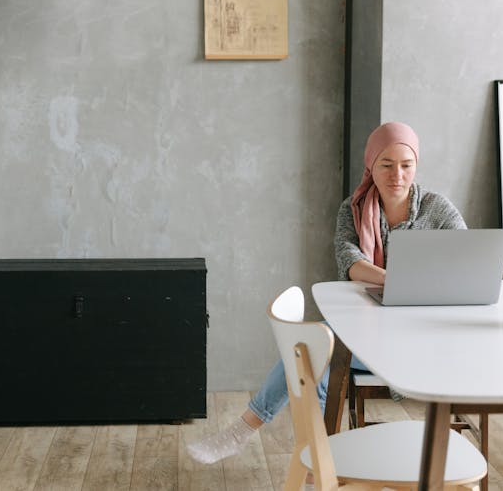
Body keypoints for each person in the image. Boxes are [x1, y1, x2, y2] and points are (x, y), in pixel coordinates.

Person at [186, 121, 466, 467]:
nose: (397, 175)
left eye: (406, 166)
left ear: (416, 166)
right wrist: (396, 281)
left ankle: (276, 450)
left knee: (310, 350)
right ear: (371, 166)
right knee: (309, 350)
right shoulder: (353, 208)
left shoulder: (437, 210)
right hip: (370, 331)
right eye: (387, 165)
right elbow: (350, 260)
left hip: (423, 337)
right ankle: (314, 465)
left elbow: (464, 259)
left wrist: (412, 286)